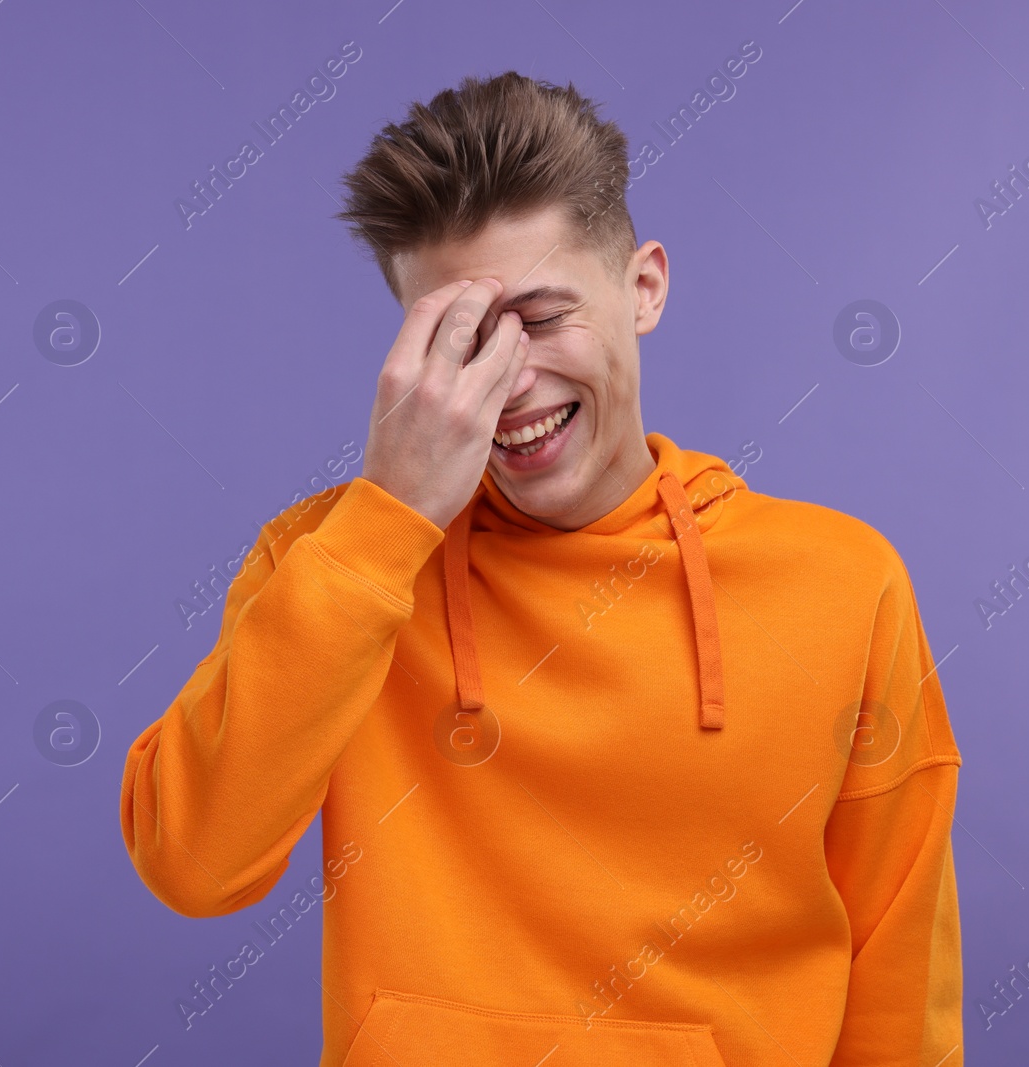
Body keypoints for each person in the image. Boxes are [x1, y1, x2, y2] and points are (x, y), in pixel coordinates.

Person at [120, 71, 963, 1066]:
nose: (508, 379)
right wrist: (386, 524)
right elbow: (192, 861)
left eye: (541, 315)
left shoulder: (838, 579)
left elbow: (896, 974)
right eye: (462, 336)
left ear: (642, 287)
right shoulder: (330, 560)